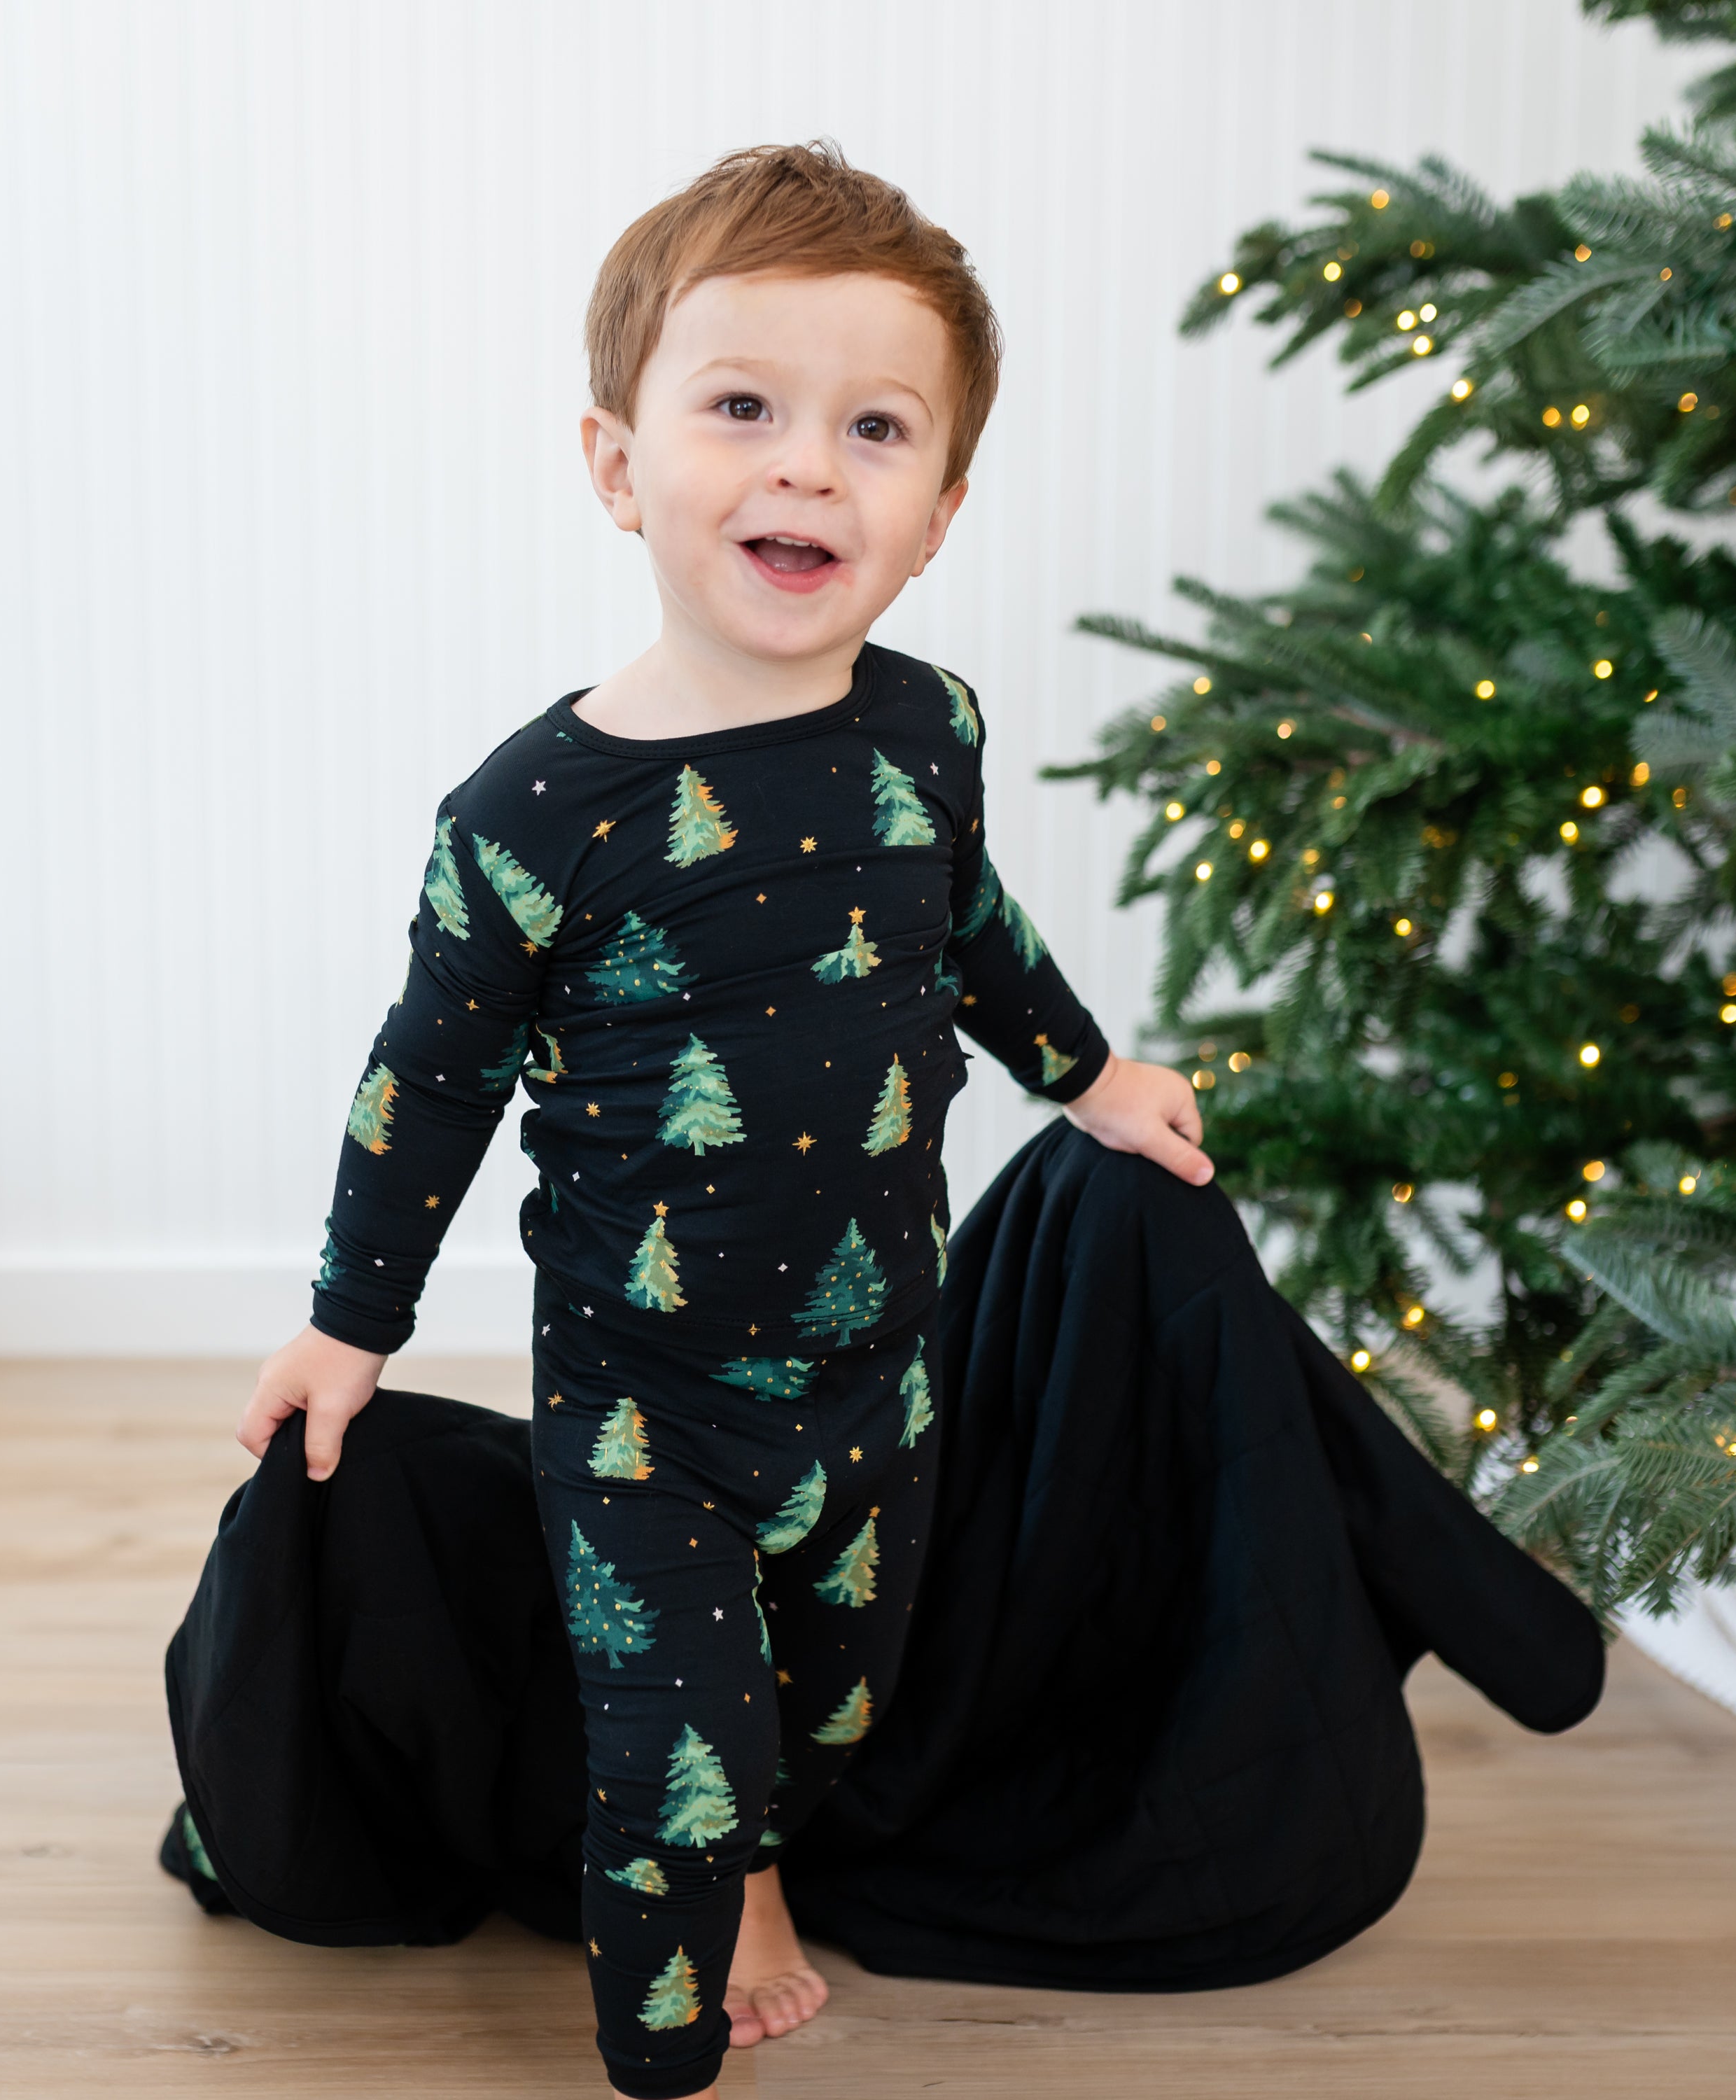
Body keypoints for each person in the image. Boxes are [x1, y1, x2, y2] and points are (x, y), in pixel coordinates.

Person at [237, 139, 1212, 2100]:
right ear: (619, 465)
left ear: (938, 510)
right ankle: (664, 2036)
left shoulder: (927, 728)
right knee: (677, 1756)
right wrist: (352, 1321)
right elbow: (421, 1079)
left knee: (832, 1714)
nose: (805, 468)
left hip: (880, 1369)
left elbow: (974, 934)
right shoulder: (533, 817)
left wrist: (1091, 1076)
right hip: (638, 1393)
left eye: (874, 429)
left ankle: (768, 1846)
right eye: (742, 410)